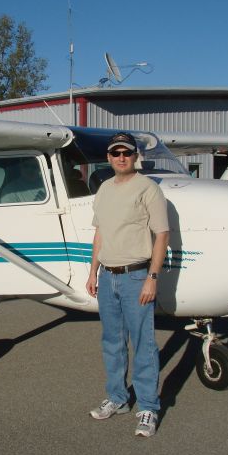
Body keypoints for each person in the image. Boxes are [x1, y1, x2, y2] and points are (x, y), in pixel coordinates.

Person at [86, 132, 170, 438]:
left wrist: (153, 276)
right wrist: (93, 271)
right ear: (108, 157)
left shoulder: (148, 189)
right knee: (112, 341)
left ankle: (148, 407)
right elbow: (100, 234)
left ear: (135, 156)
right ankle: (118, 399)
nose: (121, 157)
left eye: (126, 152)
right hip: (107, 276)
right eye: (115, 152)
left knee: (143, 344)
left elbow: (162, 234)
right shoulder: (104, 189)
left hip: (137, 276)